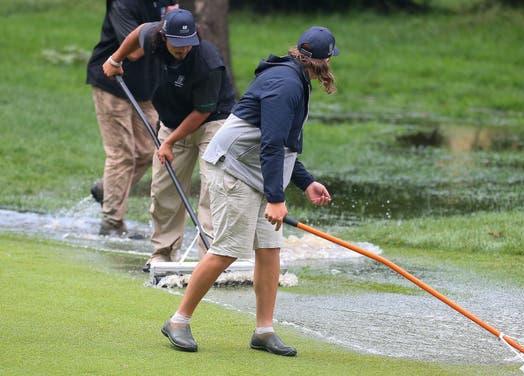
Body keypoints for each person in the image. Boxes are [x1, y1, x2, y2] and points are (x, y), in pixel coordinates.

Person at [159, 26, 339, 356]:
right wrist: (276, 198)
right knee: (228, 249)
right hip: (233, 170)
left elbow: (281, 145)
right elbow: (270, 144)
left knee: (269, 250)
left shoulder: (293, 77)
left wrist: (305, 181)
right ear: (325, 60)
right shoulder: (285, 85)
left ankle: (264, 331)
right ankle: (178, 321)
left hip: (254, 168)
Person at [102, 9, 237, 267]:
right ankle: (163, 255)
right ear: (164, 36)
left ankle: (212, 260)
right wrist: (116, 59)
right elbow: (137, 33)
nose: (184, 50)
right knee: (164, 190)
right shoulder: (153, 35)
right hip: (172, 120)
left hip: (214, 121)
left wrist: (169, 142)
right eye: (178, 45)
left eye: (188, 44)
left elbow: (202, 111)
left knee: (214, 190)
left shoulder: (207, 62)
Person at [87, 0, 179, 237]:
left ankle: (107, 189)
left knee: (151, 150)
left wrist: (172, 22)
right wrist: (168, 24)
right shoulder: (123, 4)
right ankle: (111, 224)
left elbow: (177, 24)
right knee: (122, 154)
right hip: (112, 81)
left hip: (146, 87)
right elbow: (135, 50)